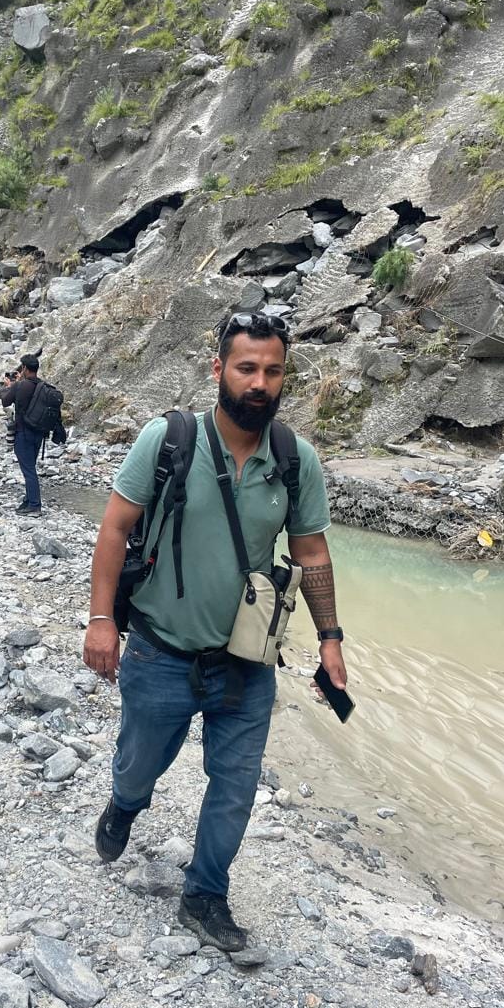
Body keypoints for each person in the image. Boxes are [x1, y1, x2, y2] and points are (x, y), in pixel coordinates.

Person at [83, 311, 347, 952]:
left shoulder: (295, 461)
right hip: (159, 651)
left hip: (245, 661)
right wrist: (99, 619)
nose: (260, 382)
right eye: (246, 368)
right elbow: (115, 529)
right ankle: (124, 805)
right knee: (140, 765)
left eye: (273, 370)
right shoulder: (169, 441)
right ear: (219, 370)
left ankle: (205, 895)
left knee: (235, 783)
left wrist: (332, 639)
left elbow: (311, 554)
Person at [0, 353, 44, 515]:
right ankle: (28, 500)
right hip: (39, 433)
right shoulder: (42, 385)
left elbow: (5, 401)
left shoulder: (20, 386)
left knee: (28, 470)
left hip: (23, 433)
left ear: (24, 368)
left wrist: (9, 386)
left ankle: (35, 505)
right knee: (30, 467)